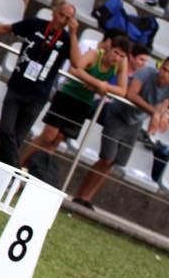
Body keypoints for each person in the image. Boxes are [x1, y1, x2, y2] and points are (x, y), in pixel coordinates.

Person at [0, 1, 80, 167]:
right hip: (17, 87)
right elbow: (6, 29)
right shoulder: (35, 25)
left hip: (39, 95)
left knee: (16, 139)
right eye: (61, 15)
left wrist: (74, 34)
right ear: (54, 12)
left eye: (68, 18)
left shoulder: (67, 40)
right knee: (5, 130)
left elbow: (76, 63)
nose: (63, 20)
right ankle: (16, 168)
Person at [72, 58, 169, 209]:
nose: (164, 74)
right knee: (106, 158)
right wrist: (154, 112)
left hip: (135, 122)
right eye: (164, 69)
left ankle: (87, 197)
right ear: (161, 66)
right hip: (118, 114)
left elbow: (163, 107)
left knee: (113, 162)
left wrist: (160, 117)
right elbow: (130, 95)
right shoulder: (146, 73)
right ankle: (79, 195)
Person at [21, 35, 129, 167]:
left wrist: (103, 86)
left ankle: (35, 169)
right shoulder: (95, 54)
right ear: (109, 48)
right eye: (116, 52)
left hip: (84, 102)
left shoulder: (120, 64)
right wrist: (96, 83)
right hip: (67, 95)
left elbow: (122, 91)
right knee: (48, 136)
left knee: (58, 139)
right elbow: (75, 69)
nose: (117, 58)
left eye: (122, 56)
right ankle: (19, 164)